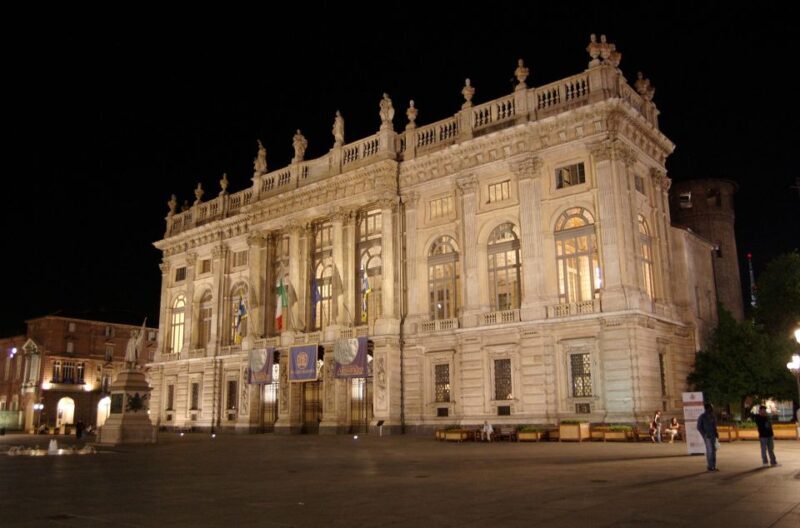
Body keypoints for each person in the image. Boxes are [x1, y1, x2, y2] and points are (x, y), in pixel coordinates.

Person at [697, 403, 719, 471]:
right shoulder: (702, 416)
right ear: (707, 408)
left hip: (713, 436)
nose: (712, 409)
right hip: (708, 437)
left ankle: (713, 466)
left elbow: (714, 426)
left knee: (714, 451)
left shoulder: (712, 416)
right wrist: (705, 434)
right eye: (711, 407)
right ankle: (710, 466)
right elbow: (699, 427)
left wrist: (716, 433)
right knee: (710, 451)